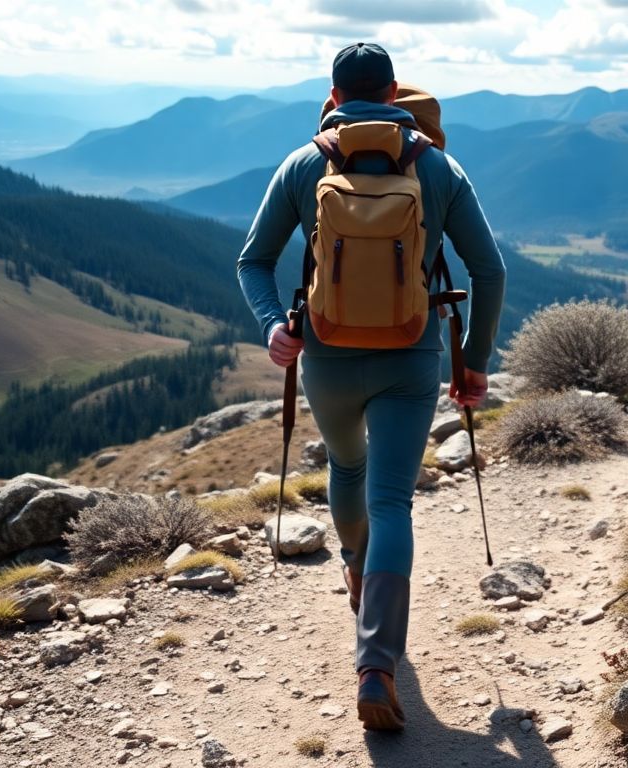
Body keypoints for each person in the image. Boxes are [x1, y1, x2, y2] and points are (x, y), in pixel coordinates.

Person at [236, 42, 506, 731]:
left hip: (324, 355)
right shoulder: (438, 165)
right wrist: (472, 365)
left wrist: (274, 327)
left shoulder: (305, 162)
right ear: (394, 95)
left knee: (347, 467)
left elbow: (254, 260)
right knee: (393, 500)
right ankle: (377, 665)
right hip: (410, 356)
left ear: (333, 93)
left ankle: (356, 571)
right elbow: (490, 271)